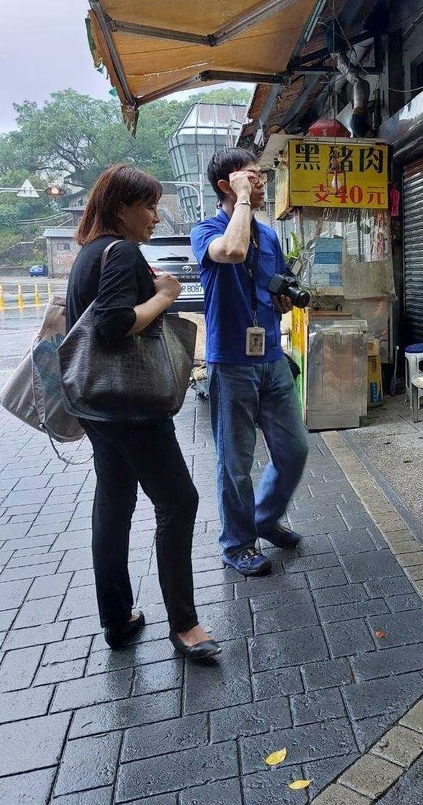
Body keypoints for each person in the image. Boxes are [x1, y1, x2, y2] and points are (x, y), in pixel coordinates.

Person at [65, 165, 220, 661]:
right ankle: (186, 625)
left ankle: (118, 619)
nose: (156, 216)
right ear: (120, 209)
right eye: (148, 206)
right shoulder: (122, 251)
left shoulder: (86, 255)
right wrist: (165, 297)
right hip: (132, 407)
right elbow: (112, 325)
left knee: (113, 505)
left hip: (95, 405)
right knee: (179, 502)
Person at [191, 148, 309, 578]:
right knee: (235, 461)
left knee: (294, 449)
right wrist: (240, 199)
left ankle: (264, 519)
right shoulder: (206, 229)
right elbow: (234, 252)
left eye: (260, 177)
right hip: (231, 361)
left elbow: (271, 290)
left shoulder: (270, 236)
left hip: (271, 357)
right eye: (251, 178)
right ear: (226, 185)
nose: (260, 184)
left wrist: (280, 301)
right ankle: (238, 543)